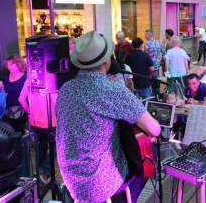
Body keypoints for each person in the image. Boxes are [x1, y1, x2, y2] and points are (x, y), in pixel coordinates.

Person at [55, 31, 161, 203]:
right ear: (106, 61)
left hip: (71, 178)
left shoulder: (65, 89)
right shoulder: (114, 91)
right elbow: (154, 129)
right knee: (149, 153)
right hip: (100, 182)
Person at [0, 55, 28, 134]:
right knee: (8, 134)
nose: (9, 67)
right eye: (7, 65)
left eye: (11, 65)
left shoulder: (26, 78)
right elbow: (3, 93)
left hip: (21, 110)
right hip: (7, 111)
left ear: (18, 64)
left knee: (17, 133)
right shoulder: (5, 77)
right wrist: (0, 86)